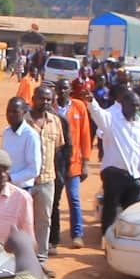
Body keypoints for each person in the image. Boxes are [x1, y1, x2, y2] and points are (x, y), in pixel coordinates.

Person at [87, 90, 140, 235]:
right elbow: (97, 113)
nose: (135, 109)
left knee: (130, 212)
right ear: (123, 104)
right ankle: (106, 237)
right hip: (114, 173)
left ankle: (125, 240)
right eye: (132, 105)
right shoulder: (112, 119)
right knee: (110, 209)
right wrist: (91, 101)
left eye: (138, 105)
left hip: (134, 175)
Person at [25, 85, 64, 274]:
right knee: (22, 219)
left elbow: (56, 148)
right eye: (42, 98)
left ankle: (40, 261)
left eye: (49, 99)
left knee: (43, 221)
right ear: (34, 98)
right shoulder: (23, 121)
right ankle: (22, 259)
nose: (46, 102)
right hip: (25, 180)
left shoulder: (55, 122)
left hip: (48, 179)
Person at [53, 78, 91, 249]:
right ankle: (53, 238)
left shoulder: (79, 107)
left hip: (74, 162)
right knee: (54, 201)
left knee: (74, 198)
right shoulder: (50, 108)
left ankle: (77, 234)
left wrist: (86, 162)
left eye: (65, 89)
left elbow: (85, 135)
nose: (62, 92)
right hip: (54, 163)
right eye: (59, 88)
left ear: (70, 91)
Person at [2, 97, 42, 192]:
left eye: (15, 112)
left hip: (23, 189)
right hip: (6, 187)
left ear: (24, 113)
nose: (10, 115)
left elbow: (34, 169)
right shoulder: (6, 132)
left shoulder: (30, 135)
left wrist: (11, 178)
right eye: (8, 111)